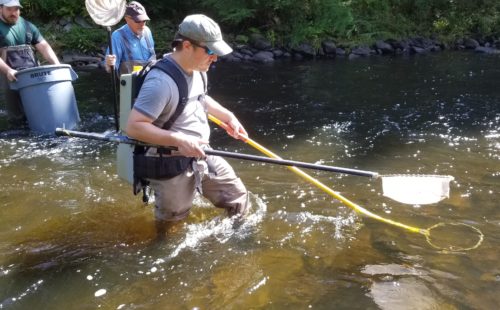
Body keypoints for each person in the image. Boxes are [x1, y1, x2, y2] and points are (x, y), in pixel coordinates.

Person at [126, 14, 250, 235]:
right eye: (210, 51)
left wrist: (228, 116)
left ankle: (236, 247)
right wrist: (179, 140)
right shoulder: (160, 83)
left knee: (238, 200)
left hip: (202, 152)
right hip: (169, 162)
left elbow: (200, 98)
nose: (215, 58)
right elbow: (134, 127)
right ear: (187, 46)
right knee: (172, 229)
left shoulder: (198, 70)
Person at [0, 0, 60, 125]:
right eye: (9, 9)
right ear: (1, 9)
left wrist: (57, 65)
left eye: (16, 9)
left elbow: (43, 46)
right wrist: (8, 70)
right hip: (9, 78)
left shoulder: (27, 26)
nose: (13, 12)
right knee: (17, 119)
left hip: (33, 78)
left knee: (40, 112)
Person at [104, 1, 155, 75]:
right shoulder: (117, 36)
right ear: (127, 19)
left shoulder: (147, 31)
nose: (142, 24)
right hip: (130, 85)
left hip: (150, 81)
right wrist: (109, 64)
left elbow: (153, 57)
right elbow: (109, 68)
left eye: (144, 20)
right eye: (138, 20)